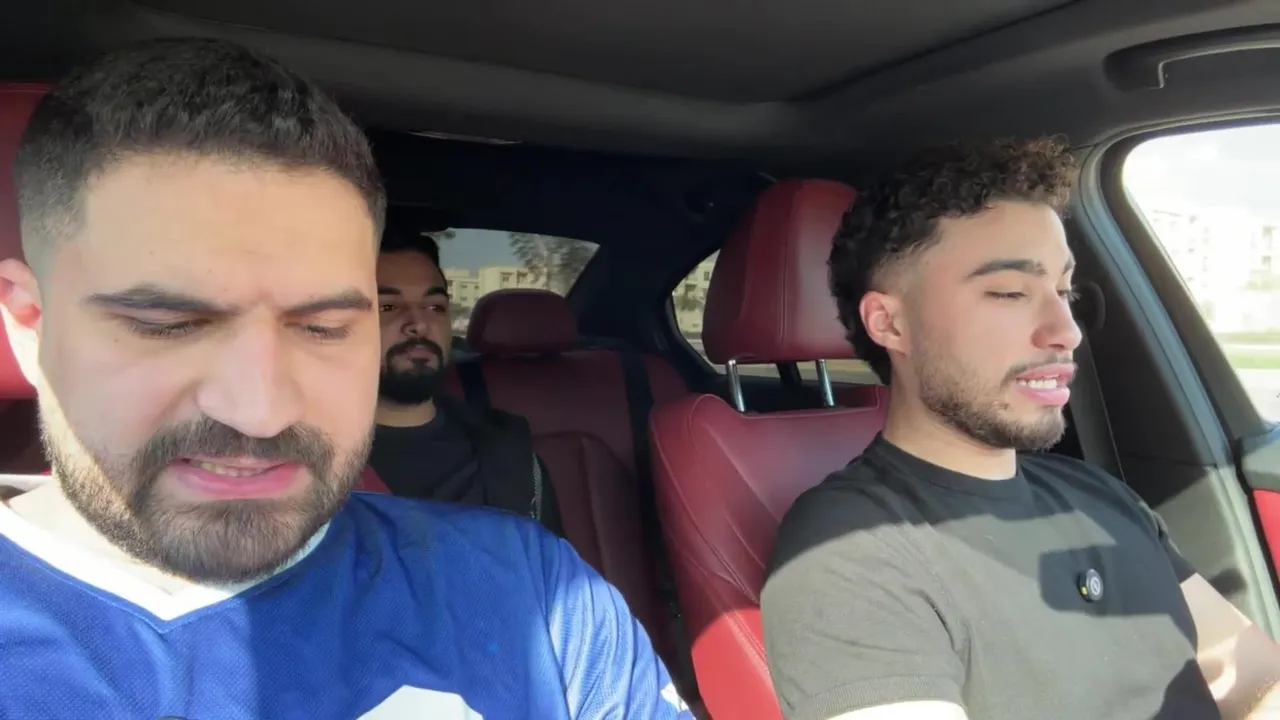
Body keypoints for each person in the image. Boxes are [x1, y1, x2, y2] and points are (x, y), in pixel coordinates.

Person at [0, 38, 689, 719]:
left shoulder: (539, 599)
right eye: (168, 324)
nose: (260, 410)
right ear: (29, 326)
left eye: (324, 327)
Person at [760, 137, 1280, 720]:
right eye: (1009, 292)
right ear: (890, 323)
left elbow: (1256, 681)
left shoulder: (1101, 496)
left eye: (1064, 291)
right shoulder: (849, 553)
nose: (1067, 330)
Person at [366, 221, 562, 534]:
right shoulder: (304, 455)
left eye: (435, 306)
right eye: (387, 306)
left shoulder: (514, 457)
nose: (419, 324)